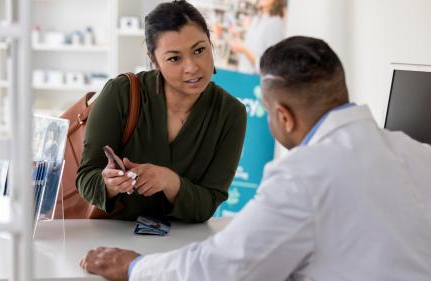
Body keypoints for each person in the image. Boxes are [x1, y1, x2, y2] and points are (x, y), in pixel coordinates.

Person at [79, 36, 431, 280]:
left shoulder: (302, 175)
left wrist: (134, 268)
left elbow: (220, 269)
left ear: (283, 117)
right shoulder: (418, 153)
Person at [76, 0, 247, 222]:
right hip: (113, 242)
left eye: (199, 50)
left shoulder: (231, 113)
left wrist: (170, 181)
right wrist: (109, 184)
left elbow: (208, 203)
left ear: (210, 42)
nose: (192, 67)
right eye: (175, 58)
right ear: (153, 60)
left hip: (183, 249)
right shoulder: (121, 93)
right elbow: (85, 180)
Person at [230, 0, 286, 73]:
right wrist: (238, 44)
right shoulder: (257, 19)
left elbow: (270, 65)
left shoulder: (275, 24)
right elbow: (252, 47)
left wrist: (244, 50)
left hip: (256, 80)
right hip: (244, 74)